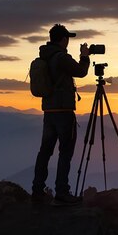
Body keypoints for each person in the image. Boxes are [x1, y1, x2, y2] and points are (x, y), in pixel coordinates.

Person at [32, 24, 90, 205]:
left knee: (45, 152)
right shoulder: (61, 58)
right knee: (65, 152)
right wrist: (85, 56)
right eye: (67, 39)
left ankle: (37, 190)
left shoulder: (45, 56)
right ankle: (62, 192)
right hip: (64, 111)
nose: (68, 42)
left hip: (48, 111)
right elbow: (81, 72)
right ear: (63, 39)